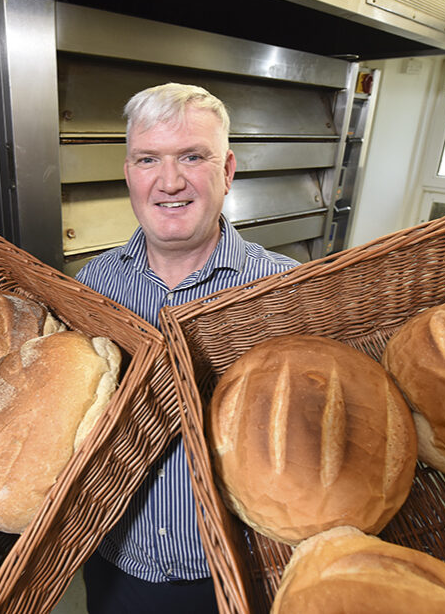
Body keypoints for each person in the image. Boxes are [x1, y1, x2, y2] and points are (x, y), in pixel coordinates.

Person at [76, 83, 298, 613]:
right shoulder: (90, 286)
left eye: (193, 157)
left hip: (239, 573)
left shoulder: (286, 292)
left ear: (227, 170)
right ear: (129, 173)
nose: (169, 181)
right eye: (148, 158)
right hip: (113, 563)